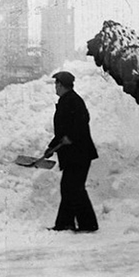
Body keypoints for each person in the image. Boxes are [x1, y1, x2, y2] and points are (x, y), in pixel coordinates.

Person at [43, 71, 99, 232]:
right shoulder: (66, 100)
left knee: (72, 187)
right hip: (73, 153)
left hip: (79, 153)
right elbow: (62, 131)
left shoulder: (74, 101)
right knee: (72, 188)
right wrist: (51, 148)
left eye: (56, 84)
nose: (55, 87)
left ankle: (77, 223)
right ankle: (75, 223)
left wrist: (71, 137)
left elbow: (82, 122)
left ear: (61, 85)